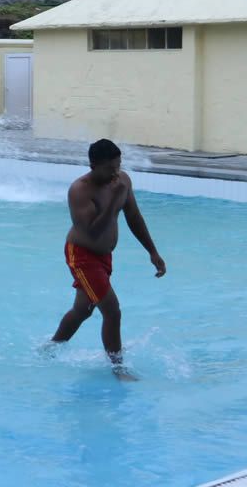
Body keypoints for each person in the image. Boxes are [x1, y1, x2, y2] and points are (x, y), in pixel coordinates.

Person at [50, 139, 166, 378]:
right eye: (109, 168)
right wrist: (114, 199)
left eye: (118, 166)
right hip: (82, 256)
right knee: (112, 311)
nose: (116, 173)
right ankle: (118, 368)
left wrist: (152, 251)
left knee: (83, 310)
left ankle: (52, 347)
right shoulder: (80, 190)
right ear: (93, 165)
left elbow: (134, 216)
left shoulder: (122, 181)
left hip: (104, 256)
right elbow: (92, 229)